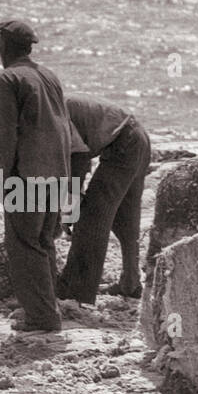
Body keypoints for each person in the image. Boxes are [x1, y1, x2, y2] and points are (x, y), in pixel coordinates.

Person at [0, 19, 71, 333]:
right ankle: (47, 307)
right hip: (59, 176)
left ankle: (41, 317)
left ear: (4, 46)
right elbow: (63, 128)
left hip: (28, 177)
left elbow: (5, 137)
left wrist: (0, 179)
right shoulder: (49, 76)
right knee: (44, 243)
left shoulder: (8, 79)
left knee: (24, 245)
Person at [54, 95, 151, 302]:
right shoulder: (55, 107)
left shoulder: (54, 116)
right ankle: (131, 280)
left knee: (92, 218)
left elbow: (78, 160)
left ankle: (77, 293)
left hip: (125, 142)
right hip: (136, 136)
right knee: (125, 218)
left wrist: (71, 209)